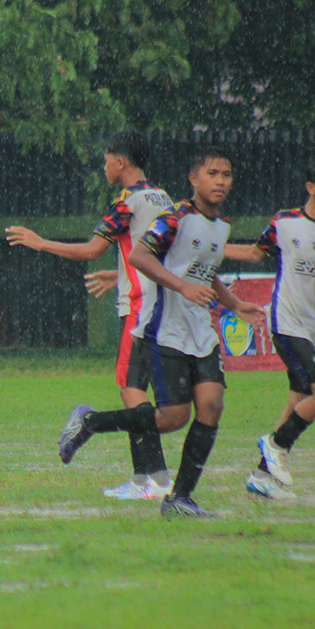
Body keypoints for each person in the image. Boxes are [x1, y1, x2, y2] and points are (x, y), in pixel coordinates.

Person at [58, 147, 265, 518]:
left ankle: (180, 498)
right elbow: (139, 256)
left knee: (212, 405)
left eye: (227, 175)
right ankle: (90, 422)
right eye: (212, 173)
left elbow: (204, 272)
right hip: (165, 330)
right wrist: (181, 287)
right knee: (173, 418)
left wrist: (234, 305)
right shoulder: (174, 218)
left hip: (201, 332)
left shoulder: (222, 226)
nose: (220, 181)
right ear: (193, 179)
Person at [6, 131, 175, 500]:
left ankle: (151, 479)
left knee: (132, 392)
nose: (104, 167)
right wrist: (120, 275)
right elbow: (160, 253)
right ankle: (150, 479)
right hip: (162, 306)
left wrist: (39, 242)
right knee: (138, 392)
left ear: (121, 162)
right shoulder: (162, 196)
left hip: (139, 308)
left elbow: (91, 250)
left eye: (106, 160)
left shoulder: (128, 201)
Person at [223, 155, 315, 500]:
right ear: (311, 188)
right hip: (287, 325)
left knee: (298, 401)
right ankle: (275, 443)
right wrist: (215, 249)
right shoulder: (285, 223)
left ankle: (264, 476)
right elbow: (256, 254)